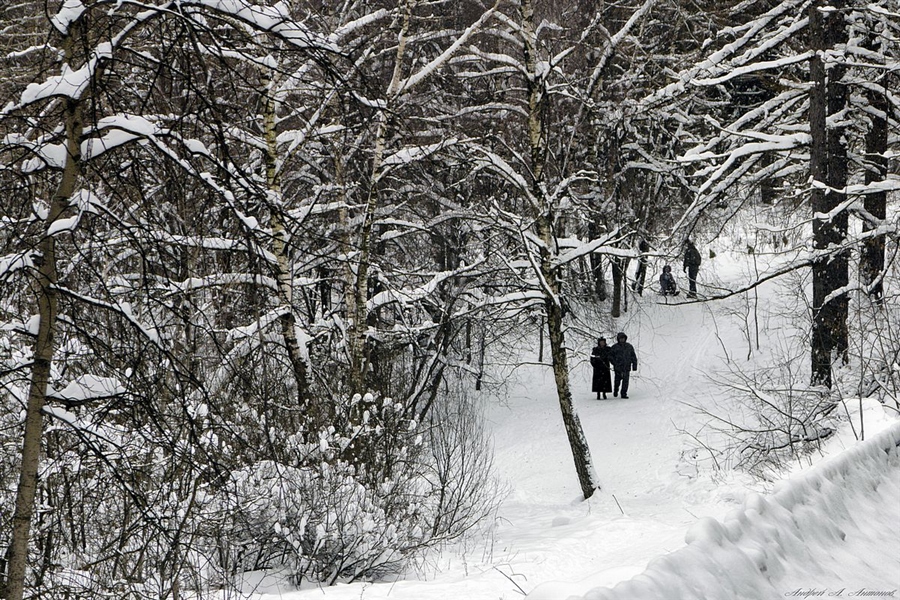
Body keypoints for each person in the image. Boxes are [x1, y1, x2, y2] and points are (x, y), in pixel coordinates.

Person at [610, 332, 638, 399]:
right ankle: (616, 390)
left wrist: (634, 365)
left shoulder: (629, 346)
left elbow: (633, 356)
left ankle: (623, 393)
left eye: (623, 338)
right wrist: (614, 362)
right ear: (618, 339)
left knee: (625, 381)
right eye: (621, 338)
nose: (622, 339)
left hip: (626, 367)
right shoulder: (614, 347)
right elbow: (610, 356)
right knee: (617, 381)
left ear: (625, 338)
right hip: (618, 367)